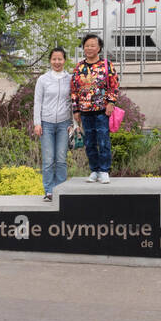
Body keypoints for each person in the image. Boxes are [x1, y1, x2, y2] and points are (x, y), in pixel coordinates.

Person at [70, 33, 119, 183]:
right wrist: (76, 110)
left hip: (102, 111)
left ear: (99, 48)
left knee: (103, 140)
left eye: (93, 45)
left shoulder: (106, 65)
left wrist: (111, 102)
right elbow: (74, 90)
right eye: (87, 45)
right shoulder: (79, 67)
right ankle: (94, 170)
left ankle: (104, 170)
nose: (89, 48)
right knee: (89, 142)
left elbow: (114, 84)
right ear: (83, 48)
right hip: (85, 112)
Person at [33, 47, 73, 201]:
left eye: (60, 59)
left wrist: (74, 124)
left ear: (64, 60)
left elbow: (74, 103)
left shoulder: (70, 79)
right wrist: (37, 123)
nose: (57, 62)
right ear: (50, 60)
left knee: (61, 159)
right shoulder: (43, 79)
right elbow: (37, 102)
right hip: (46, 124)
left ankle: (60, 190)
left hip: (64, 124)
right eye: (54, 59)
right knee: (49, 159)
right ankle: (49, 191)